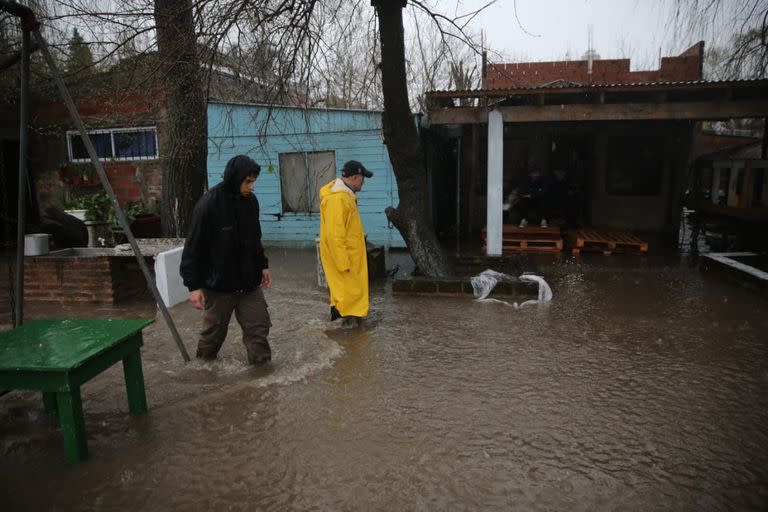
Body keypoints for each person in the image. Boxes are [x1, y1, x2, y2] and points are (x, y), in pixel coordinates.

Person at [180, 154, 273, 365]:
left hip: (249, 285)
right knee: (212, 337)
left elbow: (255, 238)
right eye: (247, 181)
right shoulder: (208, 205)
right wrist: (193, 286)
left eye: (253, 181)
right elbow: (192, 248)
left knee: (259, 331)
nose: (251, 186)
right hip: (219, 287)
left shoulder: (251, 202)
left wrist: (263, 266)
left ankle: (262, 379)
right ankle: (203, 373)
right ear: (235, 178)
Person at [318, 160, 373, 326]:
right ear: (355, 177)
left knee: (350, 299)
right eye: (363, 178)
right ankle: (348, 339)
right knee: (347, 300)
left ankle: (349, 336)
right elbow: (335, 235)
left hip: (350, 260)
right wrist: (343, 263)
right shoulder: (338, 199)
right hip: (345, 262)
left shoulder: (345, 196)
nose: (363, 182)